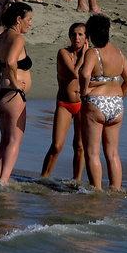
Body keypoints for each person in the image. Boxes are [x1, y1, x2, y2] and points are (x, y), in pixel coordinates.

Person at [77, 13, 127, 191]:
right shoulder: (118, 52)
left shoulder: (92, 53)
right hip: (116, 105)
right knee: (112, 153)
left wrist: (84, 92)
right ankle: (116, 191)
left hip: (96, 103)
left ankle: (96, 192)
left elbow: (85, 74)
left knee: (92, 152)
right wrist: (119, 96)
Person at [0, 2, 34, 183]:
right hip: (13, 96)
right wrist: (14, 83)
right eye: (28, 20)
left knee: (5, 139)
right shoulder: (18, 38)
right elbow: (12, 62)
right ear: (18, 19)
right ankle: (4, 181)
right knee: (14, 140)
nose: (30, 23)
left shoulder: (3, 36)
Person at [40, 21, 88, 180]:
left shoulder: (91, 56)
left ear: (86, 38)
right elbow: (74, 73)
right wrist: (82, 56)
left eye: (80, 34)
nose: (77, 37)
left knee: (80, 146)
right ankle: (44, 177)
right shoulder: (63, 53)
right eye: (74, 34)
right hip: (65, 104)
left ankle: (76, 180)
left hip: (82, 104)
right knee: (56, 146)